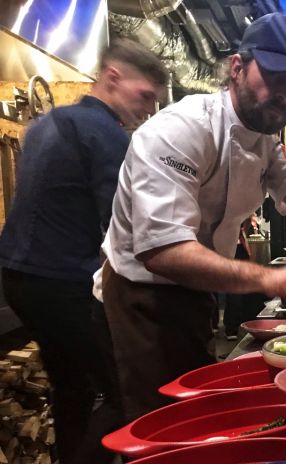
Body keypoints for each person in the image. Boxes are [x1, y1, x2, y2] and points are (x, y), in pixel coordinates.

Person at [98, 13, 286, 421]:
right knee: (158, 424)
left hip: (198, 293)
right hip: (141, 298)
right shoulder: (180, 130)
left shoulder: (262, 139)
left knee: (194, 413)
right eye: (275, 77)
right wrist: (267, 277)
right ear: (236, 67)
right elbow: (164, 252)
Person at [0, 39, 167, 463]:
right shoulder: (106, 135)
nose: (148, 110)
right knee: (124, 392)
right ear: (113, 77)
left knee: (70, 385)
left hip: (18, 278)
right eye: (145, 96)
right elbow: (123, 228)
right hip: (62, 281)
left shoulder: (49, 122)